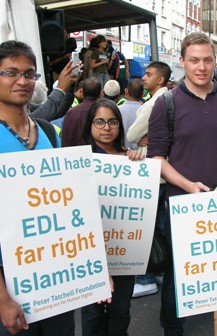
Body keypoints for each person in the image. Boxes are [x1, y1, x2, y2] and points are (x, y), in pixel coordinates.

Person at [0, 40, 75, 335]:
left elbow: (69, 206)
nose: (22, 80)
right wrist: (1, 296)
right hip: (10, 278)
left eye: (29, 73)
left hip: (58, 273)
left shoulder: (50, 133)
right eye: (11, 72)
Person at [148, 32, 217, 336]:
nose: (201, 66)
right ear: (182, 61)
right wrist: (187, 184)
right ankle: (173, 330)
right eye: (194, 60)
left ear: (215, 61)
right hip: (182, 207)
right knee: (178, 278)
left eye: (207, 60)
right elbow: (157, 158)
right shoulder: (165, 103)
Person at [79, 98, 144, 336]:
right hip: (89, 250)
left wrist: (139, 165)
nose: (106, 127)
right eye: (100, 121)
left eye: (112, 122)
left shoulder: (130, 159)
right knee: (93, 312)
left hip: (124, 247)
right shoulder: (78, 160)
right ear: (90, 125)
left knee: (121, 309)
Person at [127, 61, 172, 298]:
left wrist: (144, 135)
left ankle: (146, 278)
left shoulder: (155, 102)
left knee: (146, 228)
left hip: (151, 173)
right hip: (166, 172)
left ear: (161, 80)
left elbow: (132, 134)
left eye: (148, 74)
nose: (143, 78)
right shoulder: (172, 100)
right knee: (162, 226)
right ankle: (161, 271)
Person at [61, 76, 102, 147]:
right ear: (100, 93)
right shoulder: (104, 112)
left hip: (76, 156)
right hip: (100, 156)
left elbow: (65, 140)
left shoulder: (71, 113)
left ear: (82, 92)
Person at [118, 78, 144, 150]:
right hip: (140, 153)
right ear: (142, 94)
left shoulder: (117, 110)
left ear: (126, 91)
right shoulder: (146, 111)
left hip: (120, 151)